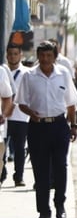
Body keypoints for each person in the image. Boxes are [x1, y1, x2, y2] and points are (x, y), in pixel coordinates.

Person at [16, 41, 77, 218]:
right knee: (40, 170)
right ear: (38, 56)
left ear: (54, 57)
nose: (45, 59)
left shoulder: (63, 74)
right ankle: (44, 211)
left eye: (49, 56)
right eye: (42, 55)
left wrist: (74, 125)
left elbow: (71, 103)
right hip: (37, 127)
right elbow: (21, 102)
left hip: (59, 126)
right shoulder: (29, 76)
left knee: (61, 166)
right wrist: (31, 114)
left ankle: (60, 204)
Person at [5, 44, 31, 187]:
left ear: (20, 54)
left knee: (20, 148)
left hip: (20, 116)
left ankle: (19, 176)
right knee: (2, 147)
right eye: (10, 54)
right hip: (4, 117)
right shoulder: (3, 71)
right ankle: (2, 172)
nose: (13, 56)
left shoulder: (27, 73)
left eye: (15, 53)